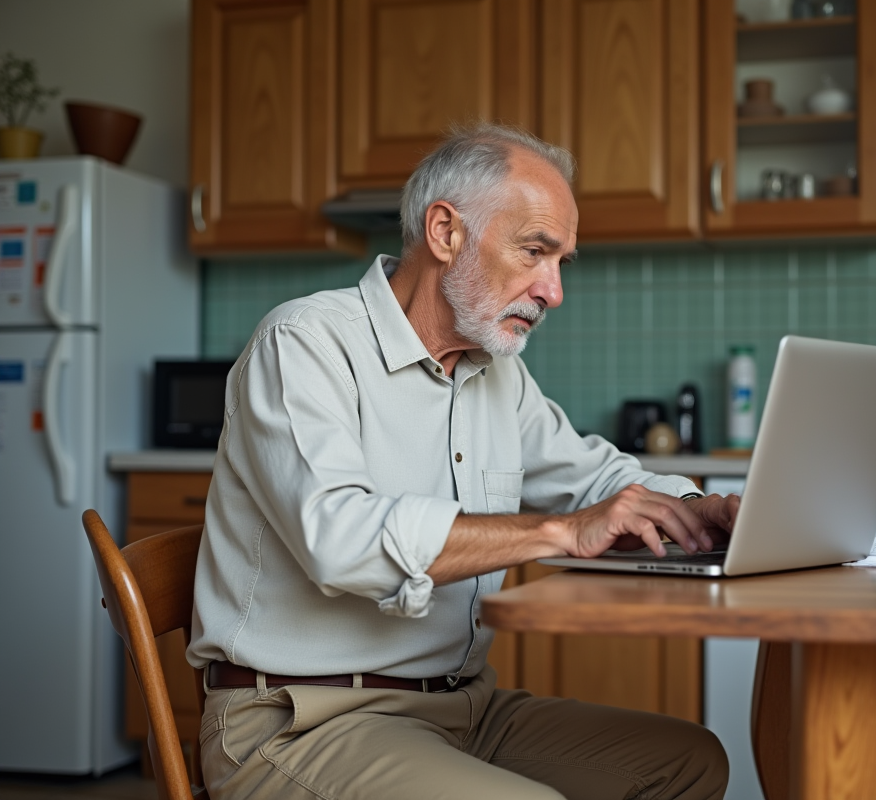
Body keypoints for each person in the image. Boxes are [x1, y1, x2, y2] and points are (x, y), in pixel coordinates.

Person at [187, 123, 739, 800]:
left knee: (688, 761)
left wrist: (695, 509)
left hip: (462, 708)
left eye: (561, 262)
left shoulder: (495, 373)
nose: (553, 290)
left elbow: (594, 476)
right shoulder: (305, 342)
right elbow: (341, 539)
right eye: (535, 251)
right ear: (446, 233)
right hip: (301, 722)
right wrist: (560, 531)